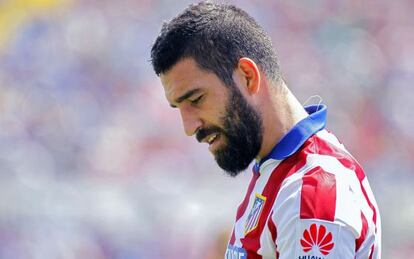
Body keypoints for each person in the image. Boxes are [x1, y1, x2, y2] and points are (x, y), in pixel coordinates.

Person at [150, 2, 381, 258]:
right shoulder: (277, 173)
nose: (189, 127)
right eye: (178, 107)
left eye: (196, 100)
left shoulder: (310, 192)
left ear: (248, 76)